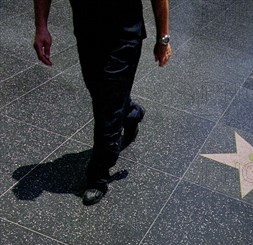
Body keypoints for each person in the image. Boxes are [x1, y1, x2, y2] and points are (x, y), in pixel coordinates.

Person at [33, 0, 171, 205]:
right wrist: (41, 27)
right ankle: (131, 113)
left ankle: (98, 176)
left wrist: (163, 39)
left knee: (107, 106)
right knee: (102, 95)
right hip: (87, 33)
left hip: (124, 36)